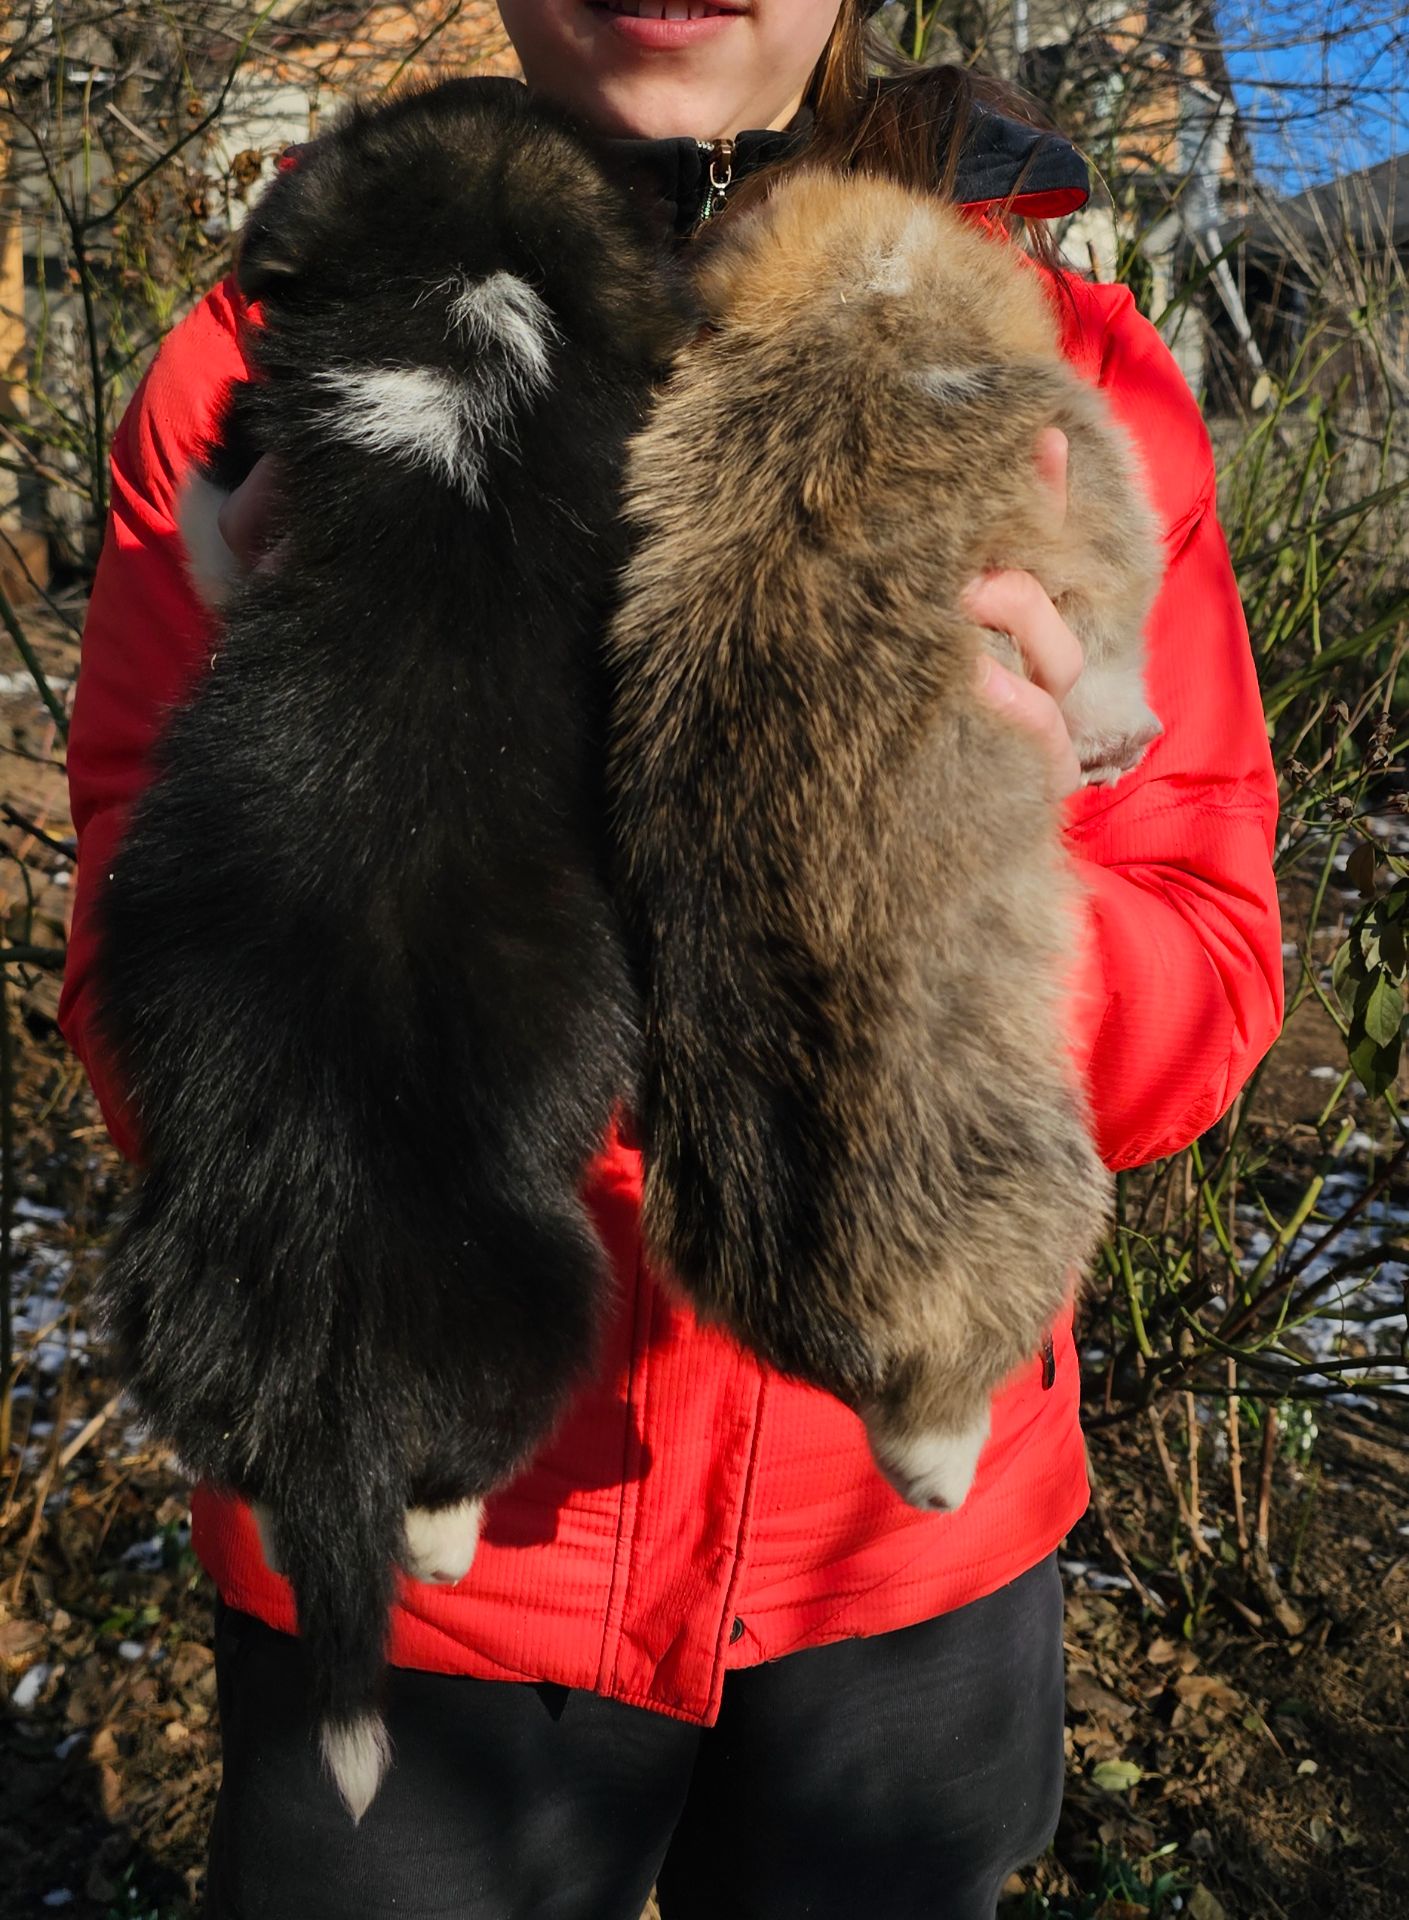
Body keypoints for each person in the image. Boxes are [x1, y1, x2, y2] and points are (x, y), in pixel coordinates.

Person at [58, 2, 1283, 1915]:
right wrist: (342, 786)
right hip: (414, 1496)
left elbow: (1201, 995)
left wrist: (953, 859)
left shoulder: (1055, 364)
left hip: (894, 1554)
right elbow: (139, 1026)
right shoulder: (289, 338)